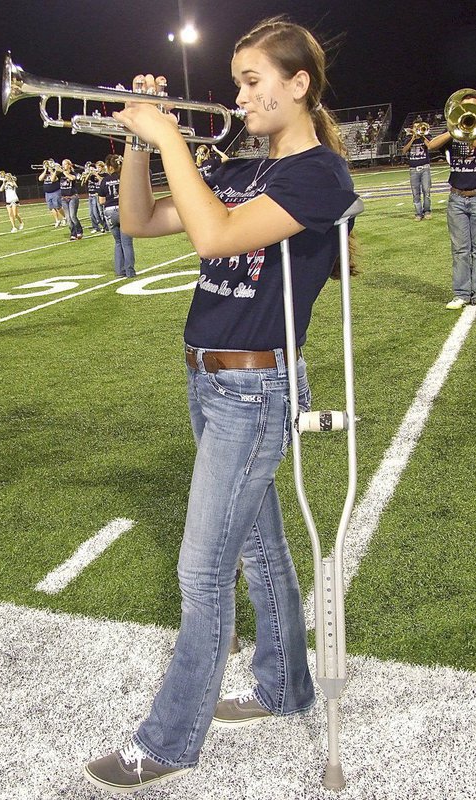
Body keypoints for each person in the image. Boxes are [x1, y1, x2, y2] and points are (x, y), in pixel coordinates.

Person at [83, 17, 358, 794]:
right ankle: (283, 686)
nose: (238, 96)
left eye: (250, 80)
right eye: (236, 81)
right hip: (206, 377)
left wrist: (169, 137)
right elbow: (142, 220)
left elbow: (217, 239)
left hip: (254, 385)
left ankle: (167, 741)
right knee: (257, 552)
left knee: (201, 572)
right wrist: (137, 141)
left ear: (297, 84)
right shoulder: (240, 167)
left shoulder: (318, 176)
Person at [428, 92, 476, 309]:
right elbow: (431, 145)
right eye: (464, 108)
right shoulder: (453, 136)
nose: (468, 113)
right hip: (456, 198)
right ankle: (462, 293)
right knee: (460, 249)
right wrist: (454, 128)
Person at [98, 154, 136, 277]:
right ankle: (130, 271)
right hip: (123, 210)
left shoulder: (104, 180)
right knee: (127, 243)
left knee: (118, 242)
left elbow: (101, 201)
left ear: (109, 167)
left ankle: (120, 271)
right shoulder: (126, 177)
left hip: (109, 211)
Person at [402, 126, 432, 221]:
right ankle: (418, 213)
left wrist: (422, 136)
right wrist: (412, 138)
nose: (417, 129)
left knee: (426, 191)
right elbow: (404, 151)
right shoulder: (408, 139)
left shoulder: (426, 137)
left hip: (425, 168)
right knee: (415, 193)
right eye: (415, 127)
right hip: (413, 169)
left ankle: (427, 211)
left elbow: (430, 146)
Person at [60, 159, 84, 240]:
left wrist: (64, 172)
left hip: (73, 197)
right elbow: (52, 179)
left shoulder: (74, 173)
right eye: (62, 164)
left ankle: (79, 231)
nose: (63, 166)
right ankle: (73, 233)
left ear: (69, 165)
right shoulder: (60, 174)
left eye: (65, 164)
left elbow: (72, 178)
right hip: (63, 198)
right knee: (68, 219)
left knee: (73, 216)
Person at [81, 161, 108, 233]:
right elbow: (85, 182)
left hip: (103, 195)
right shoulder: (95, 175)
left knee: (103, 212)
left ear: (102, 167)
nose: (97, 169)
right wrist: (89, 173)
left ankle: (106, 226)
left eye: (99, 167)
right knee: (97, 213)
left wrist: (96, 174)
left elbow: (103, 181)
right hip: (96, 195)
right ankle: (103, 226)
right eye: (97, 167)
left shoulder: (105, 174)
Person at [38, 160, 66, 227]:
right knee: (51, 207)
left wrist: (52, 170)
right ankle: (57, 220)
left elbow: (53, 179)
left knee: (58, 206)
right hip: (47, 193)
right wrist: (45, 170)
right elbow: (40, 179)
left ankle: (65, 217)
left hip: (55, 192)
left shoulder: (56, 171)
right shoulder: (46, 173)